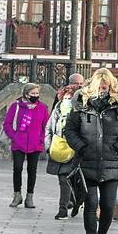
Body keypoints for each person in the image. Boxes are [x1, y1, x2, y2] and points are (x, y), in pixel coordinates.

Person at [63, 68, 118, 234]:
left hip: (111, 163)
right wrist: (81, 147)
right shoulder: (82, 104)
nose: (103, 90)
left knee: (108, 206)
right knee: (91, 204)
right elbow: (69, 130)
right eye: (100, 87)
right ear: (93, 86)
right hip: (87, 162)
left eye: (106, 87)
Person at [4, 83, 49, 208]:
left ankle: (30, 196)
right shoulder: (16, 106)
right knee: (17, 168)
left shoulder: (42, 108)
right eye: (33, 94)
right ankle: (17, 194)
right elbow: (7, 124)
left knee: (32, 170)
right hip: (19, 143)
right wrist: (14, 136)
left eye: (37, 93)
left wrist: (41, 139)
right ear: (26, 94)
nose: (35, 96)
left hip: (35, 143)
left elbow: (46, 126)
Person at [45, 84, 81, 220]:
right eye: (65, 97)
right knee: (63, 179)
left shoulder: (79, 111)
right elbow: (49, 127)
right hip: (58, 147)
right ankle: (64, 208)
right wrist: (48, 146)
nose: (67, 100)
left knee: (72, 179)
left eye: (70, 97)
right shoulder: (58, 108)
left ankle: (71, 203)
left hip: (74, 149)